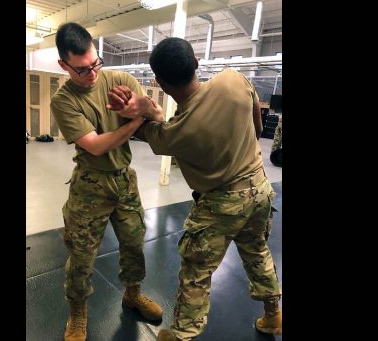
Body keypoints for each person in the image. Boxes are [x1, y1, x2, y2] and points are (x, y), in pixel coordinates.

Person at [108, 37, 282, 341]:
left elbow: (153, 131)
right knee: (257, 252)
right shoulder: (233, 79)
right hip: (260, 190)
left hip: (220, 205)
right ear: (196, 62)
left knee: (195, 273)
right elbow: (256, 113)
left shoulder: (176, 132)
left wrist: (143, 110)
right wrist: (251, 135)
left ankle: (182, 334)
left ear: (160, 83)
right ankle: (274, 315)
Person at [50, 22, 164, 341]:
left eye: (96, 63)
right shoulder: (64, 100)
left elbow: (157, 115)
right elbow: (97, 145)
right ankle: (77, 313)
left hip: (124, 181)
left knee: (134, 244)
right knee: (82, 256)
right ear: (64, 65)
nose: (93, 73)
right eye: (83, 69)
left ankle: (132, 294)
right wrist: (135, 120)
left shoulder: (120, 80)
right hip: (90, 185)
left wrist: (139, 108)